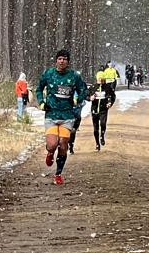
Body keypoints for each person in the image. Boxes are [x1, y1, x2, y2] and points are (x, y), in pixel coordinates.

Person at [35, 48, 89, 185]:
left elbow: (83, 90)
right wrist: (41, 102)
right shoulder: (48, 74)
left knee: (63, 144)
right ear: (56, 60)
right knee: (53, 144)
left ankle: (58, 174)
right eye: (60, 58)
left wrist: (77, 99)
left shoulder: (74, 76)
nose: (62, 61)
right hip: (52, 114)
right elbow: (39, 89)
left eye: (65, 59)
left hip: (67, 115)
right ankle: (49, 153)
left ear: (68, 62)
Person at [88, 76, 110, 150]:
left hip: (103, 109)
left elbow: (112, 96)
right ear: (97, 79)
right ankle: (97, 143)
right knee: (95, 128)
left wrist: (110, 103)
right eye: (99, 79)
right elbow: (86, 95)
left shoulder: (107, 87)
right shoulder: (93, 87)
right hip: (94, 109)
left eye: (102, 80)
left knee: (103, 124)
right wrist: (90, 98)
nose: (100, 81)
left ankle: (102, 136)